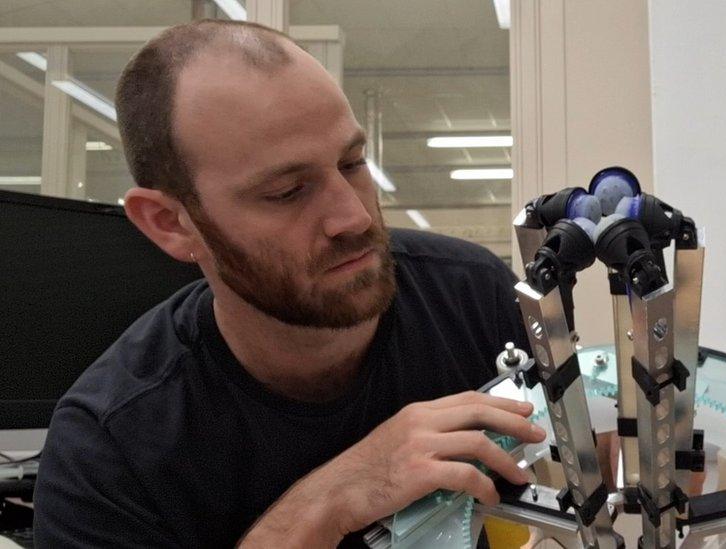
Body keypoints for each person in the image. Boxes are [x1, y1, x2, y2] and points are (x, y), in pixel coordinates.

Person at [32, 19, 542, 548]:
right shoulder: (109, 451)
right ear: (171, 223)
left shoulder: (472, 296)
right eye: (287, 191)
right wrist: (322, 504)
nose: (354, 218)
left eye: (352, 163)